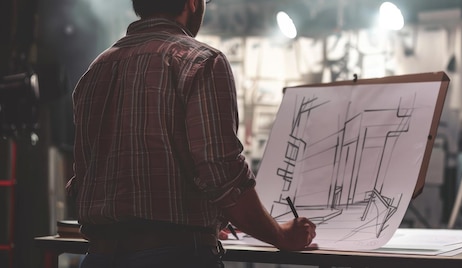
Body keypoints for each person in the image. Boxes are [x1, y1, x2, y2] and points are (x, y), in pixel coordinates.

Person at [66, 0, 317, 267]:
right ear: (192, 3)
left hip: (98, 257)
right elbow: (222, 174)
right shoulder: (201, 61)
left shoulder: (95, 70)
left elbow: (83, 180)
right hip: (175, 258)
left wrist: (200, 224)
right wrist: (280, 234)